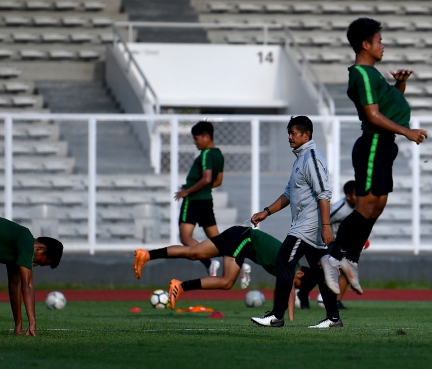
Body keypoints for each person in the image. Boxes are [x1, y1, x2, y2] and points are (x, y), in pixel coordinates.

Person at [320, 18, 428, 296]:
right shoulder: (362, 74)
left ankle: (350, 259)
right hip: (373, 146)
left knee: (377, 206)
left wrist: (399, 84)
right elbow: (372, 115)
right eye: (380, 41)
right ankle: (332, 258)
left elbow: (386, 107)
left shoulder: (372, 74)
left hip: (384, 146)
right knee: (365, 207)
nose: (383, 45)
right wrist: (406, 131)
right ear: (365, 44)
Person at [249, 116, 341, 328]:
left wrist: (326, 226)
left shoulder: (311, 158)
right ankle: (333, 318)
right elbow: (289, 193)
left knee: (284, 260)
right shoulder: (300, 159)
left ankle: (277, 316)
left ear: (306, 135)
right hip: (306, 226)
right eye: (288, 133)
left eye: (293, 133)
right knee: (319, 271)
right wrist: (266, 212)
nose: (289, 137)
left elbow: (324, 193)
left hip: (308, 227)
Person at [134, 226, 301, 320]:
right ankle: (182, 286)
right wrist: (290, 319)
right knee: (227, 282)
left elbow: (284, 289)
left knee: (194, 252)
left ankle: (147, 254)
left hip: (238, 233)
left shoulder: (283, 265)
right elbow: (290, 291)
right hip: (245, 238)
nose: (295, 282)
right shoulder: (294, 265)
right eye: (300, 282)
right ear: (301, 274)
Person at [296, 180, 366, 309]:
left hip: (342, 244)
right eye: (357, 194)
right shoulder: (338, 209)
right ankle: (303, 292)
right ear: (348, 195)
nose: (360, 197)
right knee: (322, 272)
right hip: (327, 243)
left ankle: (337, 301)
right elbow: (322, 222)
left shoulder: (361, 206)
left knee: (346, 268)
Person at [174, 121, 225, 276]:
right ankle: (238, 263)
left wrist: (188, 191)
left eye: (196, 139)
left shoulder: (206, 155)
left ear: (206, 137)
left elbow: (207, 178)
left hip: (194, 201)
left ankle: (209, 263)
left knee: (185, 237)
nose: (195, 143)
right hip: (206, 201)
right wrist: (197, 187)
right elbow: (218, 181)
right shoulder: (218, 154)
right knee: (218, 241)